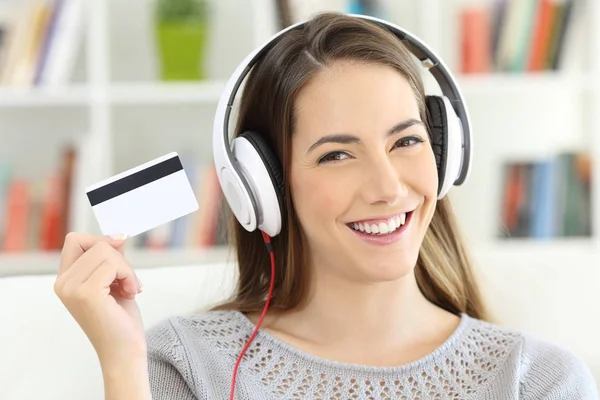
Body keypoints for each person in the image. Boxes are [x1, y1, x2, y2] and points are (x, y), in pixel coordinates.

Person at [54, 12, 598, 400]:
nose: (386, 187)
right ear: (262, 186)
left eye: (405, 141)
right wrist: (123, 369)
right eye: (337, 154)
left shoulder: (538, 381)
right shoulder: (185, 366)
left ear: (445, 152)